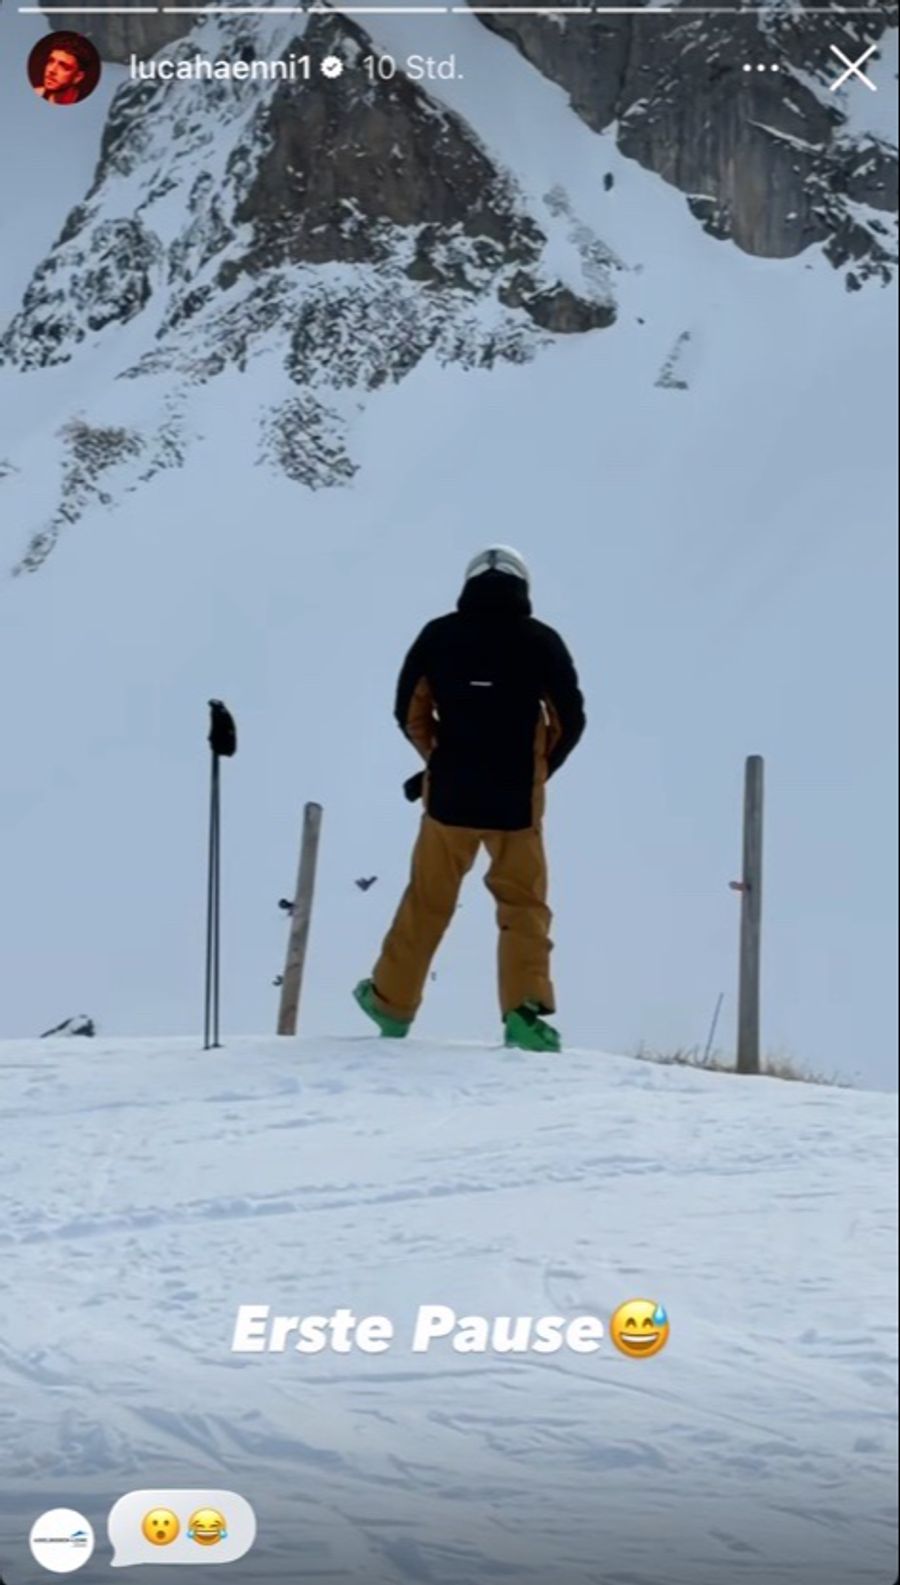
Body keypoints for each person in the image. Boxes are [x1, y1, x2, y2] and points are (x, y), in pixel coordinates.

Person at [355, 546, 586, 1053]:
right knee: (523, 905)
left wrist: (436, 757)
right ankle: (524, 1015)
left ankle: (391, 1005)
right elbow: (570, 720)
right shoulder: (540, 640)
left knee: (428, 899)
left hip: (449, 801)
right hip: (516, 808)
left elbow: (408, 711)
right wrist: (536, 770)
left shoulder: (439, 635)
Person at [33, 35, 94, 104]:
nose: (52, 70)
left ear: (78, 77)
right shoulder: (37, 93)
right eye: (50, 61)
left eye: (63, 66)